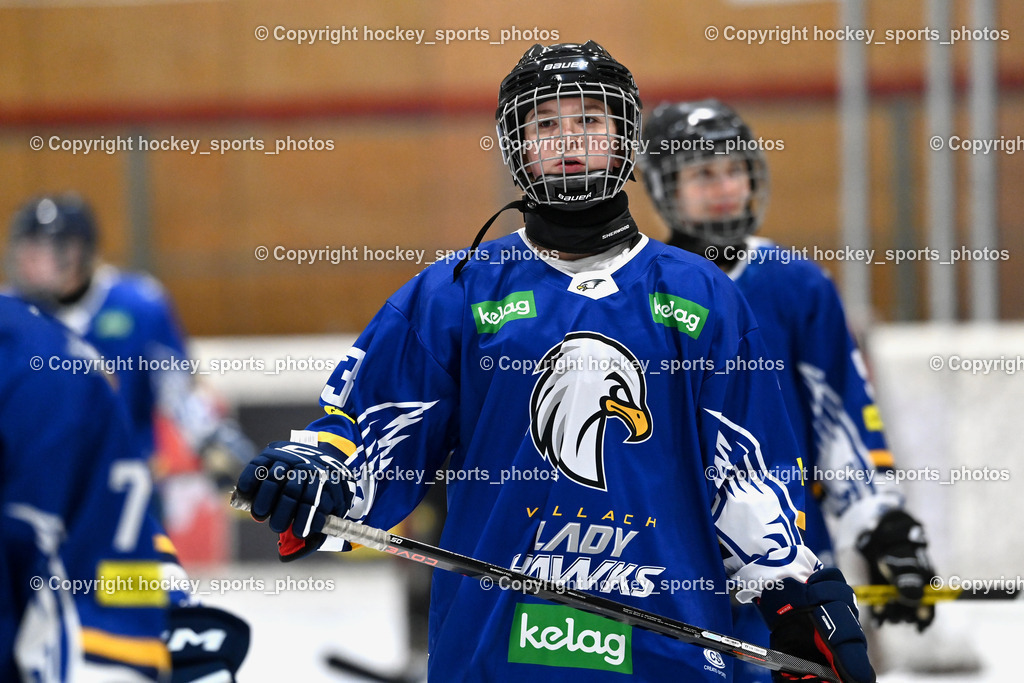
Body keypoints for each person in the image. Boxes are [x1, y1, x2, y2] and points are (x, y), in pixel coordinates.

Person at [236, 42, 874, 682]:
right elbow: (368, 432)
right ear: (518, 144)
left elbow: (747, 469)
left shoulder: (702, 295)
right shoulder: (454, 292)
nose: (569, 139)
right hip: (495, 652)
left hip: (667, 654)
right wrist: (316, 473)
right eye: (546, 124)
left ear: (623, 137)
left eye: (590, 121)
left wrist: (792, 593)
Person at [639, 99, 936, 681]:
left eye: (734, 169)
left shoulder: (796, 284)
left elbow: (842, 416)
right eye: (702, 173)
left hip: (791, 564)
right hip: (673, 564)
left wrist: (882, 527)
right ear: (664, 186)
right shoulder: (639, 288)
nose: (725, 187)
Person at [0, 295, 249, 682]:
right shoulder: (31, 335)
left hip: (122, 483)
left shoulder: (137, 306)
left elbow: (177, 385)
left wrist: (166, 615)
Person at [4, 194, 254, 510]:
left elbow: (178, 391)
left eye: (45, 250)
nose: (30, 263)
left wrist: (213, 440)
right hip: (33, 494)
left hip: (128, 495)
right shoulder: (9, 316)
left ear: (80, 251)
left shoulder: (139, 305)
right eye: (26, 249)